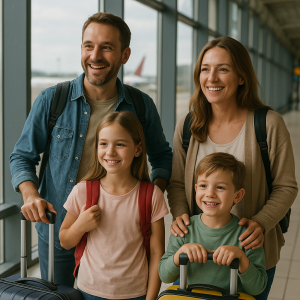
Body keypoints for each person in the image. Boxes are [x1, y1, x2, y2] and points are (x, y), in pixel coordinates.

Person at [9, 12, 172, 287]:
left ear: (125, 54)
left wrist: (147, 200)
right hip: (59, 231)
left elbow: (162, 156)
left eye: (106, 47)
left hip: (119, 239)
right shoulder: (52, 100)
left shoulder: (141, 106)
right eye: (88, 45)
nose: (95, 55)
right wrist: (30, 195)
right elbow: (22, 156)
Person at [167, 37, 298, 300]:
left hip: (250, 254)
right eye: (205, 69)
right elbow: (178, 183)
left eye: (223, 69)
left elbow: (286, 186)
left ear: (241, 76)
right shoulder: (188, 125)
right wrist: (180, 212)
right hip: (198, 258)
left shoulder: (269, 124)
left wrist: (261, 223)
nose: (211, 77)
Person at [60, 111, 168, 300]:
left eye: (120, 144)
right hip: (89, 291)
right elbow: (65, 240)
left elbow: (157, 252)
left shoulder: (152, 195)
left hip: (136, 294)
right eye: (103, 144)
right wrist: (80, 226)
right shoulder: (82, 191)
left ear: (137, 149)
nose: (110, 152)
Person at [159, 153, 267, 296]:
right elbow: (165, 276)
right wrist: (180, 254)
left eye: (220, 187)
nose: (210, 193)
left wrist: (241, 257)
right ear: (196, 189)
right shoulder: (184, 229)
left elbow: (258, 288)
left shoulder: (247, 236)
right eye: (204, 185)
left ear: (238, 195)